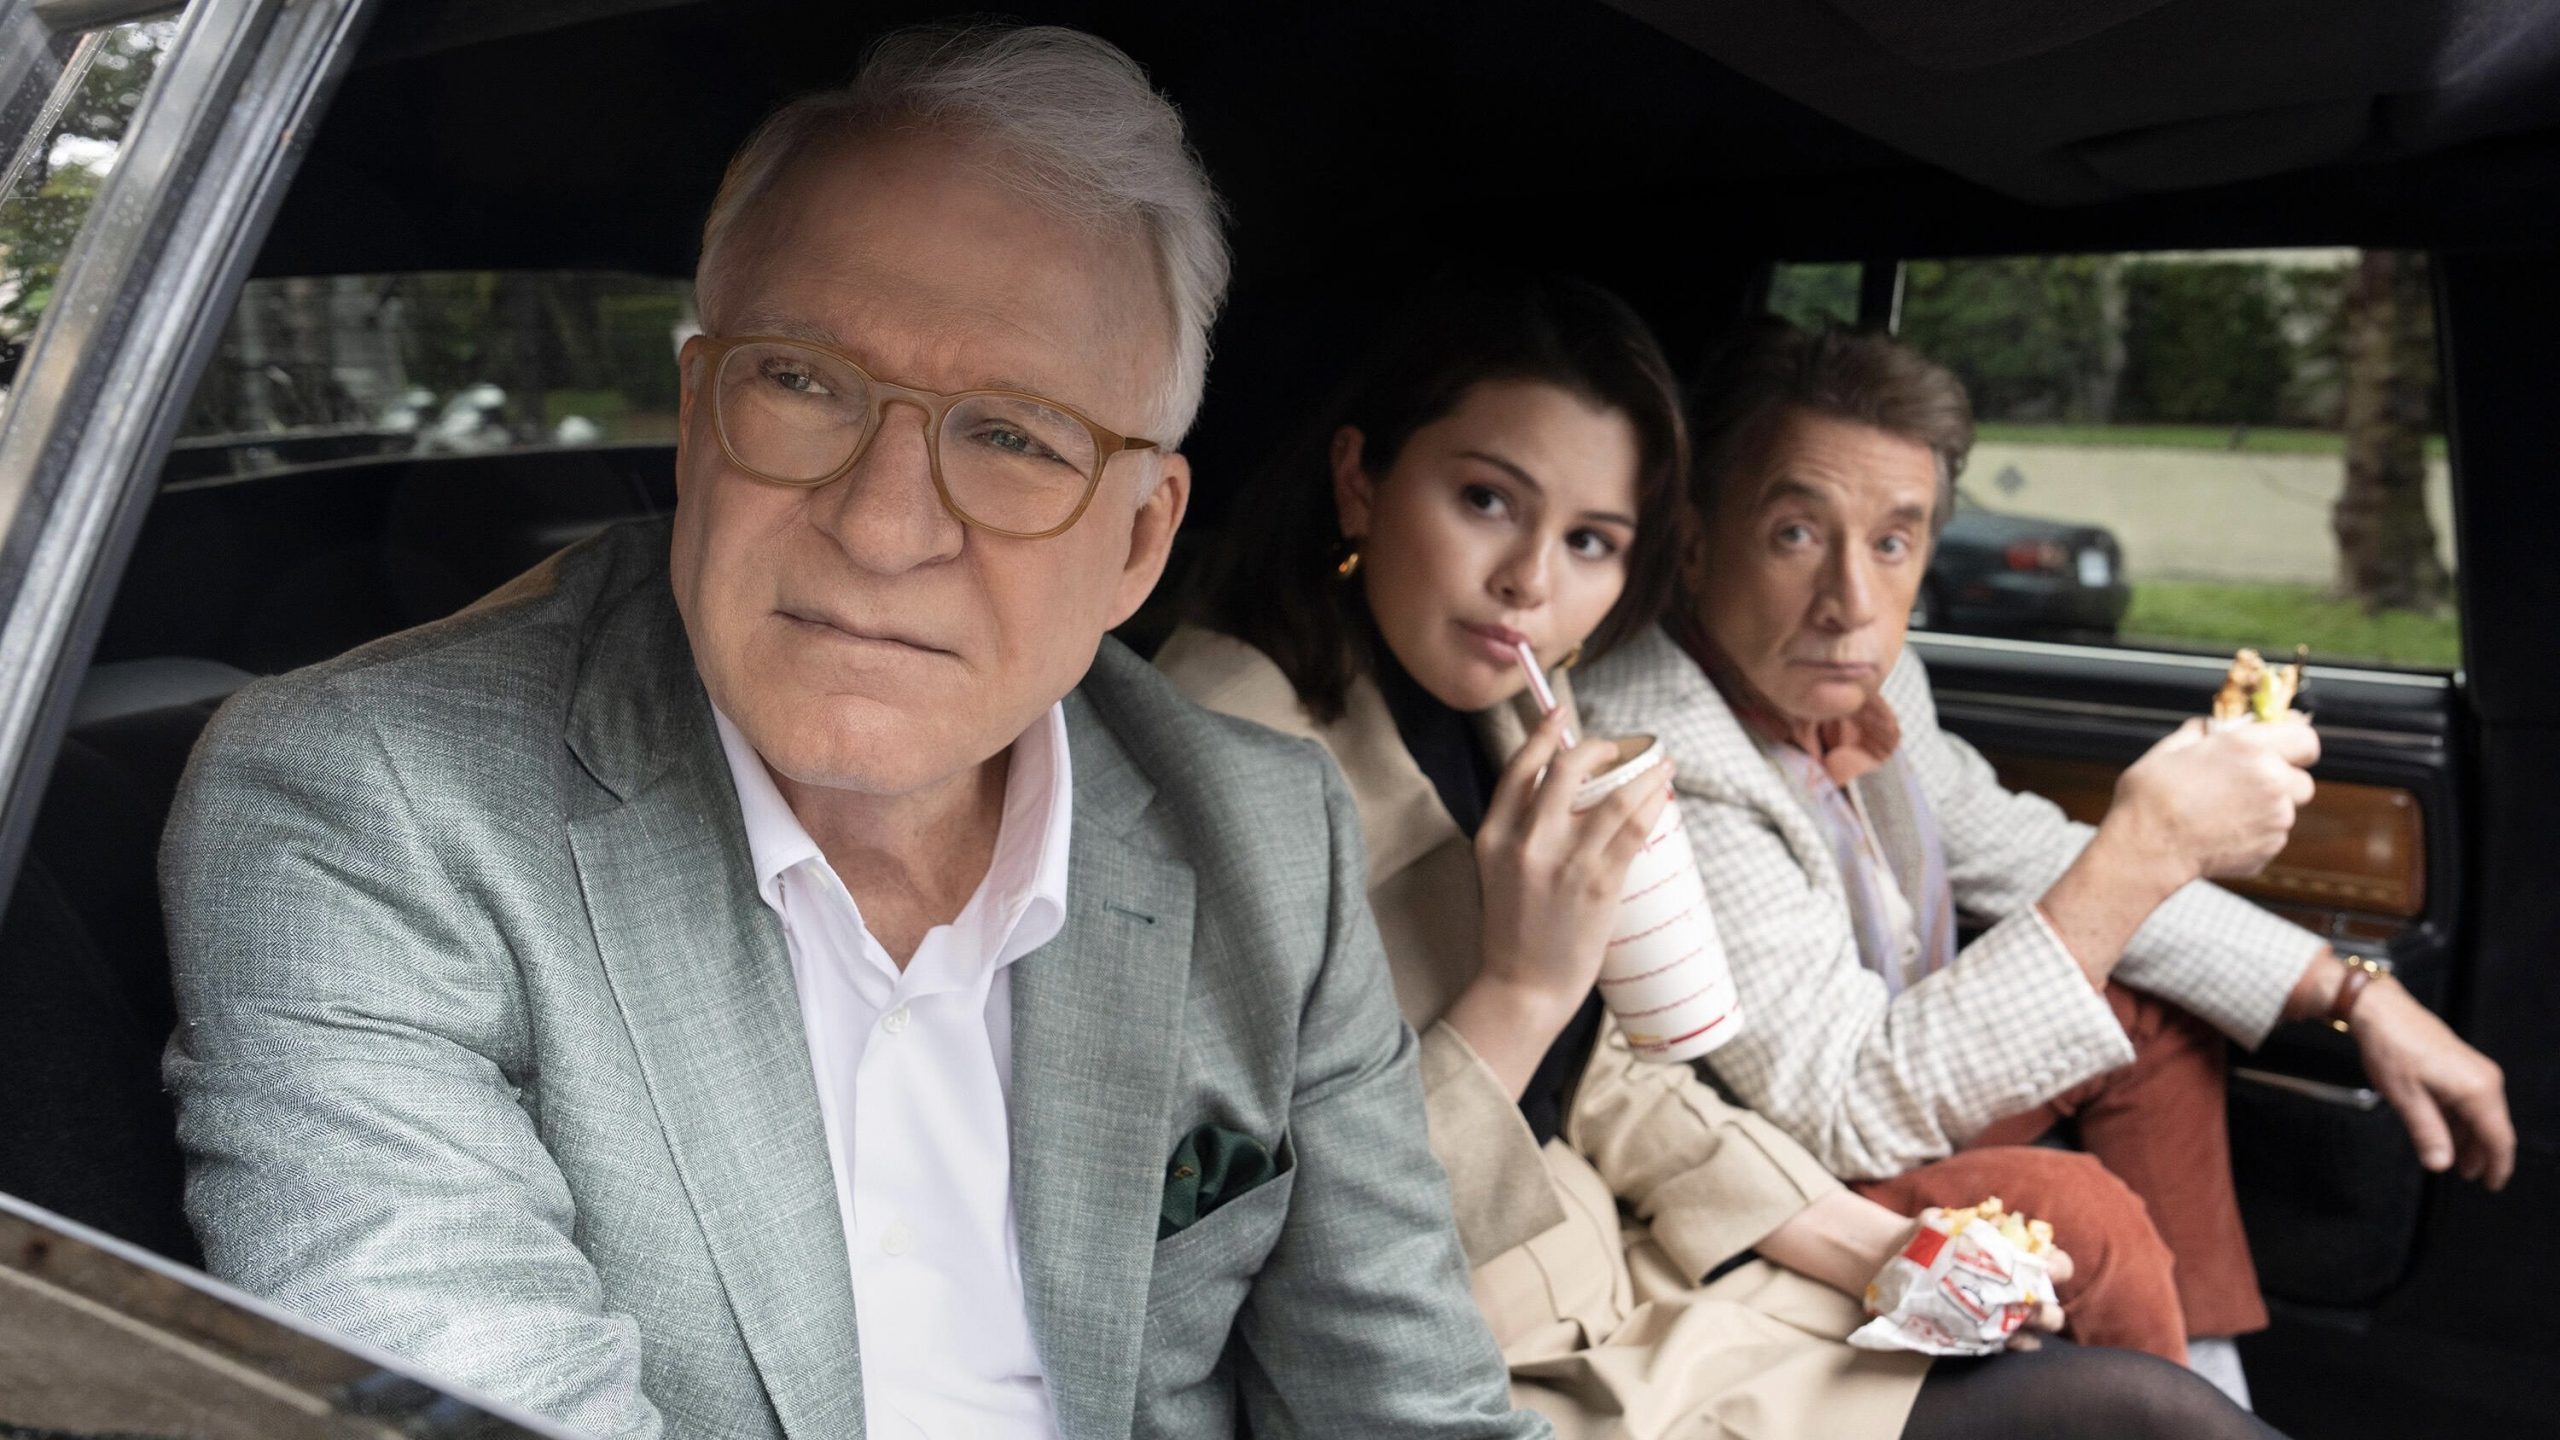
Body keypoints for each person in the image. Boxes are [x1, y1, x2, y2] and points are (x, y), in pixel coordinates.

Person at [159, 27, 1546, 1440]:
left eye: (1013, 436)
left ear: (1139, 543)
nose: (883, 527)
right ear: (699, 418)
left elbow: (1415, 1410)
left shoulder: (1264, 840)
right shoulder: (366, 807)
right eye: (803, 384)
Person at [1159, 272, 2286, 1440]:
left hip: (1643, 1293)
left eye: (1590, 540)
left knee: (2142, 1401)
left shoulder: (1506, 715)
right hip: (1461, 1360)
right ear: (1360, 479)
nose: (1531, 583)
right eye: (1488, 501)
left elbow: (1608, 1077)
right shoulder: (1221, 764)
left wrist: (1880, 1247)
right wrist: (1522, 989)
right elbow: (1271, 1244)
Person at [1574, 318, 2515, 1395]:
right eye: (1795, 532)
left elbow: (2014, 845)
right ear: (1692, 542)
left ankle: (2207, 1385)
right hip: (1771, 1171)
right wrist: (2144, 847)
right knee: (2081, 1216)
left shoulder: (1869, 681)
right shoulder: (1658, 753)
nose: (1851, 604)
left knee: (2148, 1012)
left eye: (1892, 542)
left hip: (1872, 1081)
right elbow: (1834, 1109)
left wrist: (2354, 990)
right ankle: (2173, 1415)